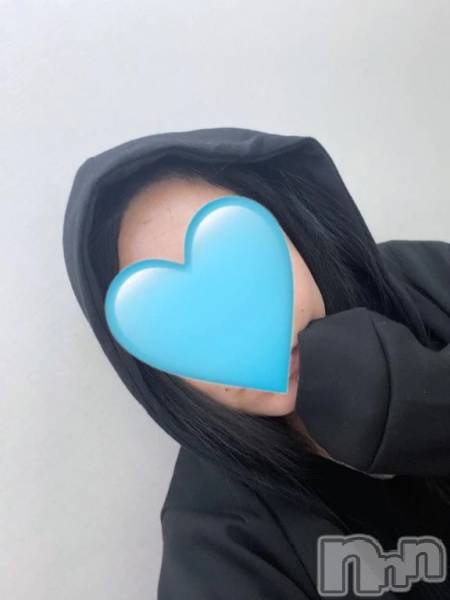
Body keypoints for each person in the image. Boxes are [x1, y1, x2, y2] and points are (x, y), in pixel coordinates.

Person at [63, 127, 450, 599]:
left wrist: (420, 403)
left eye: (248, 267)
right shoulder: (219, 540)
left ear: (294, 233)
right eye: (186, 322)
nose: (251, 333)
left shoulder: (424, 280)